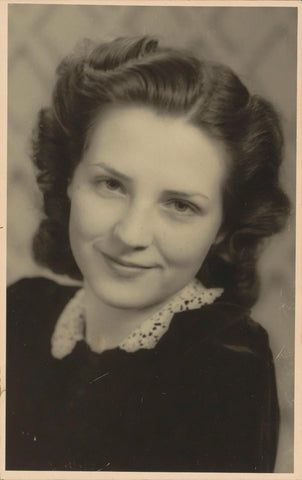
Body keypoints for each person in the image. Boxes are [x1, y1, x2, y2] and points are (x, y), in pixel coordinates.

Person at [6, 36, 290, 472]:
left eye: (180, 205)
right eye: (111, 184)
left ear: (224, 229)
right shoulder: (19, 312)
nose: (131, 233)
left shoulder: (228, 365)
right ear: (68, 178)